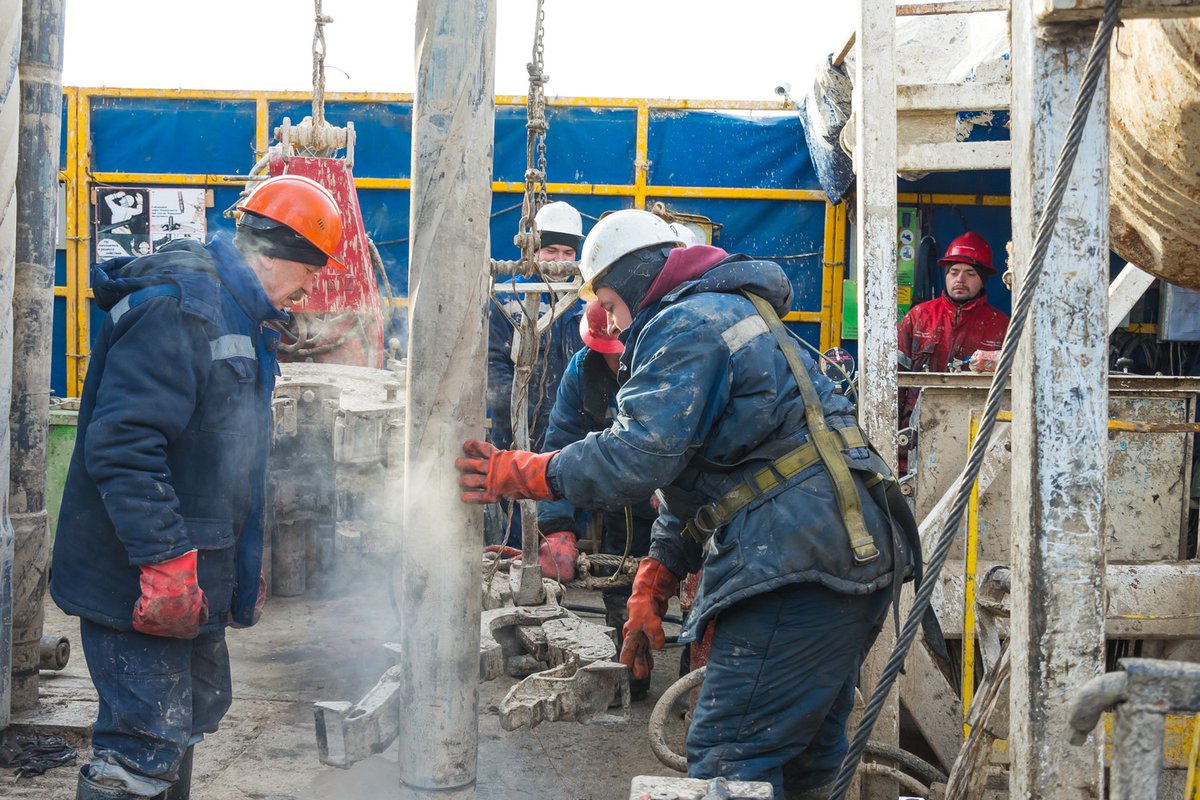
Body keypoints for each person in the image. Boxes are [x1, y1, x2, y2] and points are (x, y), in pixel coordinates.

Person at [457, 209, 919, 798]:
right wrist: (655, 578)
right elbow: (704, 479)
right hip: (850, 547)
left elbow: (639, 455)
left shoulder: (685, 322)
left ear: (630, 282)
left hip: (797, 558)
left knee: (731, 750)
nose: (616, 325)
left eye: (613, 306)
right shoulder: (734, 311)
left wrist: (524, 471)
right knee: (803, 756)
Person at [51, 174, 345, 800]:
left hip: (193, 570)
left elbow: (223, 458)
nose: (311, 287)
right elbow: (124, 446)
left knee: (182, 727)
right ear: (275, 256)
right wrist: (162, 562)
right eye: (310, 271)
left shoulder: (240, 314)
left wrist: (241, 564)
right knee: (141, 746)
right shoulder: (181, 307)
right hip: (141, 571)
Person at [535, 300, 658, 697]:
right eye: (607, 357)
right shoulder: (581, 372)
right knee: (620, 581)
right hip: (618, 502)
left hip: (671, 499)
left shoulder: (665, 367)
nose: (615, 366)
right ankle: (627, 670)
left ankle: (698, 675)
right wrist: (557, 526)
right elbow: (560, 445)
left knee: (685, 588)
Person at [486, 201, 585, 545]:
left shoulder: (585, 301)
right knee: (515, 528)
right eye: (551, 250)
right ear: (534, 249)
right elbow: (492, 363)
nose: (559, 262)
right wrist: (518, 418)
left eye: (568, 251)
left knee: (563, 530)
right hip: (516, 435)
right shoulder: (509, 297)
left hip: (571, 436)